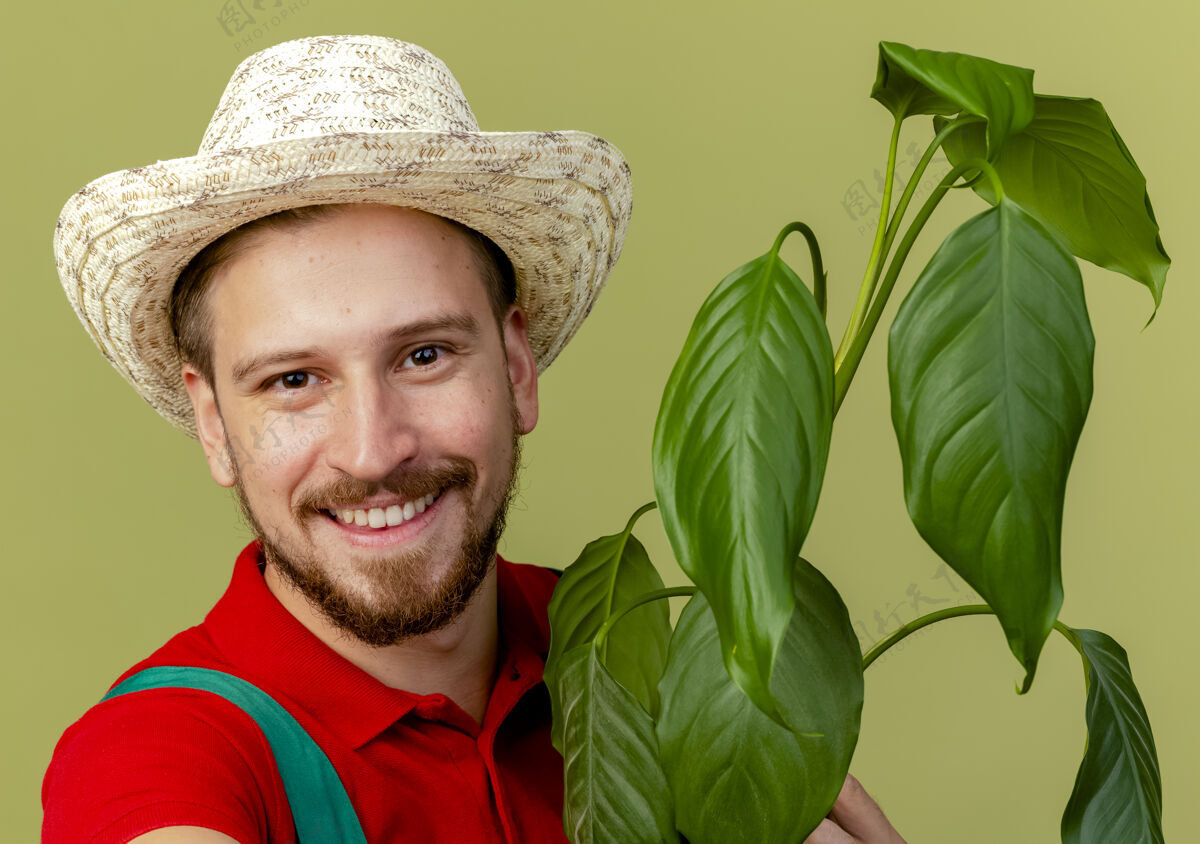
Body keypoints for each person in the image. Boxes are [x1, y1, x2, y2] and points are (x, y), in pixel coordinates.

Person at [42, 34, 904, 843]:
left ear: (517, 367)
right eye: (294, 381)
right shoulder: (159, 754)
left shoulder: (636, 648)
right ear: (213, 425)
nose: (374, 452)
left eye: (423, 355)